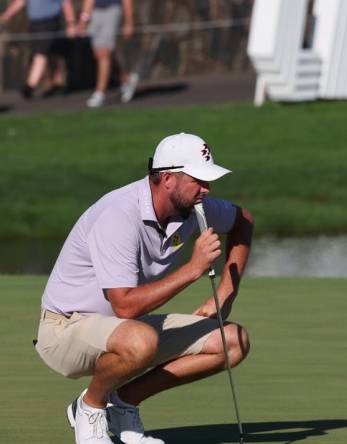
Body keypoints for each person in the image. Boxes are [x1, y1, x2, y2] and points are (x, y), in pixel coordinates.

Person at [36, 133, 254, 444]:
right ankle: (89, 407)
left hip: (123, 328)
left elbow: (243, 220)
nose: (207, 189)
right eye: (198, 180)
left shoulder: (195, 207)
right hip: (64, 328)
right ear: (167, 179)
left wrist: (225, 292)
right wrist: (193, 269)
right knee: (141, 340)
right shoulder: (118, 214)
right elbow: (124, 306)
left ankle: (122, 404)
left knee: (233, 341)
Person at [0, 0, 77, 99]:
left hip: (50, 22)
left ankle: (30, 85)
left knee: (41, 54)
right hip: (35, 24)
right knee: (50, 53)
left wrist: (71, 23)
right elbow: (21, 1)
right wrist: (6, 15)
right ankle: (56, 83)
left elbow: (66, 3)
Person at [78, 0, 136, 107]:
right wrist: (83, 20)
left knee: (103, 53)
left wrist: (129, 21)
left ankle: (99, 93)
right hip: (95, 12)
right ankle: (127, 79)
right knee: (101, 54)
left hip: (112, 10)